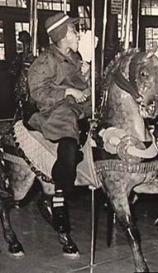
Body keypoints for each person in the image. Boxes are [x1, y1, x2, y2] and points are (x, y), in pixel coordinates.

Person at [27, 12, 91, 234]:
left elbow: (82, 88)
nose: (77, 34)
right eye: (74, 30)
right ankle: (59, 200)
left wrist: (87, 76)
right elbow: (37, 91)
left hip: (79, 109)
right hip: (57, 113)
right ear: (63, 35)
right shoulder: (46, 60)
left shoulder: (75, 58)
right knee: (69, 144)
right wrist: (68, 91)